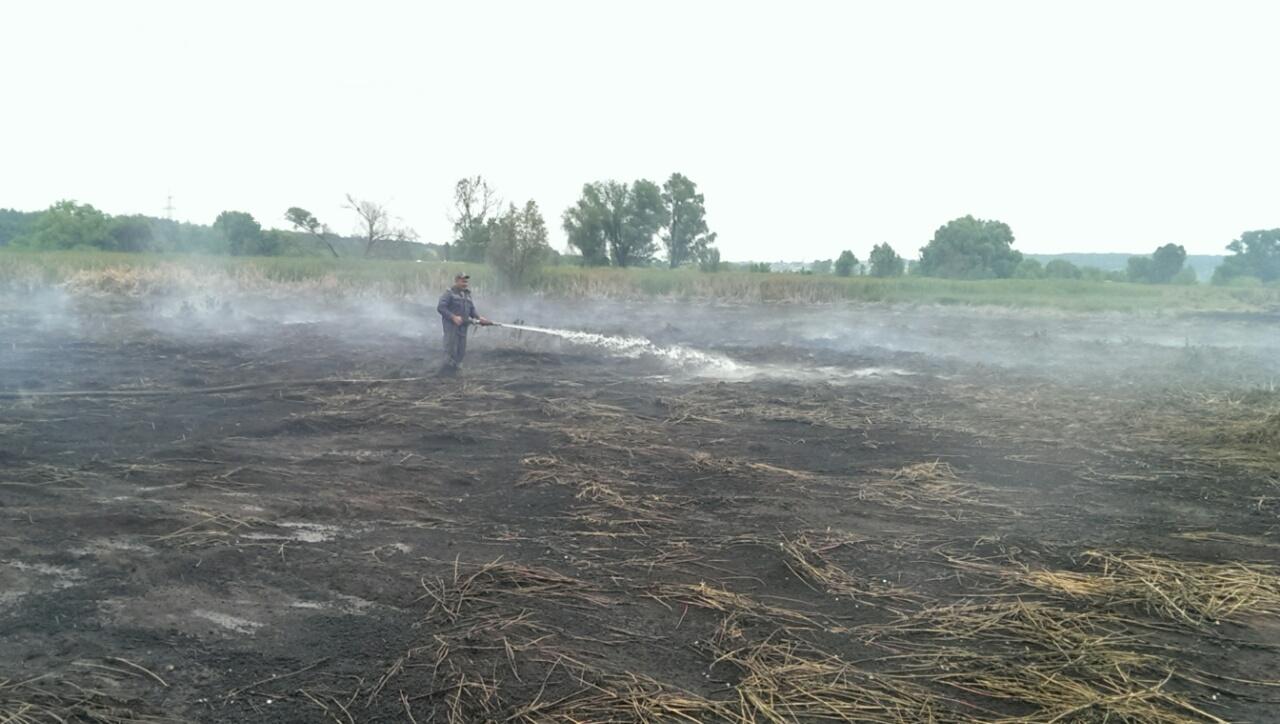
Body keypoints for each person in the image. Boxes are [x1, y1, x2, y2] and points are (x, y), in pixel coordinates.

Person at [436, 273, 491, 375]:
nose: (465, 284)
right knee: (450, 348)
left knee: (461, 349)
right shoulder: (449, 293)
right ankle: (445, 373)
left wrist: (479, 318)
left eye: (466, 281)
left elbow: (471, 309)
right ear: (456, 281)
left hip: (463, 327)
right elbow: (441, 307)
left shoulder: (467, 295)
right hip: (451, 327)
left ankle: (456, 370)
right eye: (463, 281)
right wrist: (453, 317)